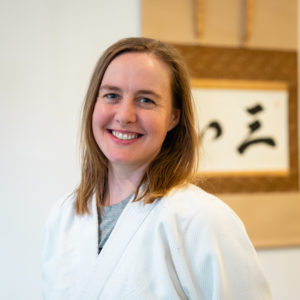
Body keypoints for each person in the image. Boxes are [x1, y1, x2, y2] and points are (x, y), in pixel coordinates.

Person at [42, 37, 271, 300]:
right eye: (112, 96)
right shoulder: (63, 218)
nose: (125, 115)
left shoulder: (202, 219)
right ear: (94, 104)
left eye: (146, 100)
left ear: (174, 116)